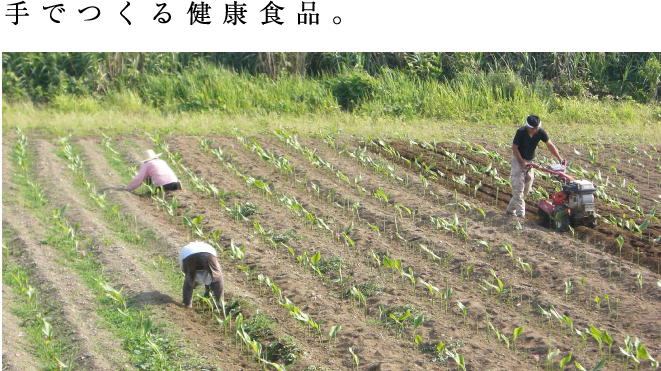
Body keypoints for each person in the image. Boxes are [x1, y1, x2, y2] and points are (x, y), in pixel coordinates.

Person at [506, 115, 564, 218]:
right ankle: (521, 215)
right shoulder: (521, 132)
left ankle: (510, 210)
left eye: (536, 128)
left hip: (530, 161)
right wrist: (522, 162)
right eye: (532, 128)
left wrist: (559, 158)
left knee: (527, 186)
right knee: (518, 187)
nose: (534, 130)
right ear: (528, 126)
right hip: (518, 160)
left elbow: (549, 145)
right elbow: (514, 148)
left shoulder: (540, 132)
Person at [179, 241, 225, 308]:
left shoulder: (184, 249)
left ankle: (188, 303)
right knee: (217, 276)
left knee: (189, 278)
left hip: (189, 255)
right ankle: (219, 302)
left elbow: (184, 269)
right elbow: (212, 276)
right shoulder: (207, 246)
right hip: (208, 254)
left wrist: (191, 279)